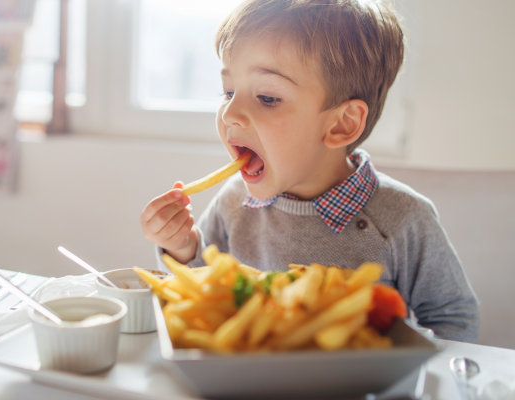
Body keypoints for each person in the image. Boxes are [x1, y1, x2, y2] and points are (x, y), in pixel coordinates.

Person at [140, 0, 479, 343]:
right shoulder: (233, 201)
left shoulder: (403, 218)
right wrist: (182, 246)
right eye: (228, 92)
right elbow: (205, 291)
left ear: (341, 124)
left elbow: (453, 317)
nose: (230, 113)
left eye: (267, 98)